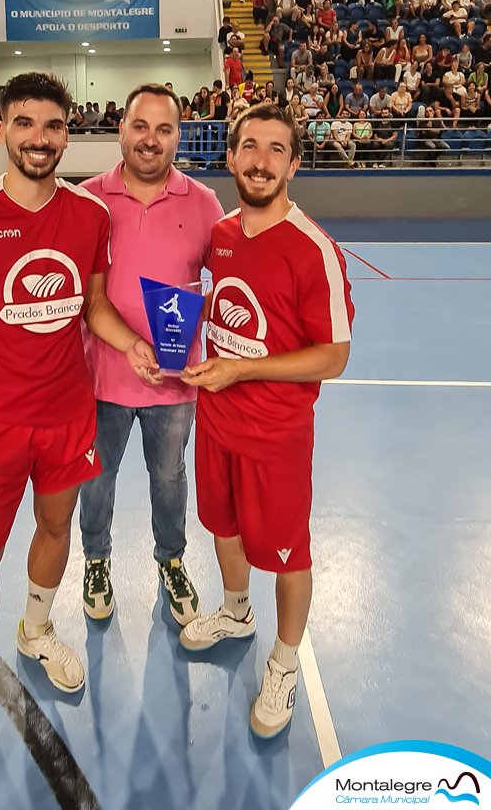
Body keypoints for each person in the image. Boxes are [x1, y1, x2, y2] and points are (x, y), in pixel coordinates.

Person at [0, 72, 158, 777]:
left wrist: (131, 345)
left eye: (52, 126)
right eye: (24, 123)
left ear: (66, 136)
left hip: (66, 416)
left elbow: (92, 305)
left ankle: (35, 628)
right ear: (1, 130)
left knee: (57, 529)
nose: (39, 138)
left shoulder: (88, 216)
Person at [178, 104, 354, 740]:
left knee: (286, 553)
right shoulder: (221, 235)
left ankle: (283, 662)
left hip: (275, 436)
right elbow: (219, 307)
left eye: (276, 149)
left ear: (294, 164)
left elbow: (334, 356)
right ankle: (235, 612)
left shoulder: (314, 250)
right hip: (215, 421)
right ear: (230, 157)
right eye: (249, 146)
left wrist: (243, 371)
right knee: (222, 527)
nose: (260, 160)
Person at [78, 84, 224, 623]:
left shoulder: (204, 203)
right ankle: (96, 559)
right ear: (121, 129)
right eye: (140, 126)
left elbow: (229, 283)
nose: (150, 139)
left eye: (164, 129)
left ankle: (171, 560)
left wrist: (205, 329)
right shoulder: (88, 200)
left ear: (178, 136)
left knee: (169, 478)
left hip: (175, 382)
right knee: (97, 478)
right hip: (102, 378)